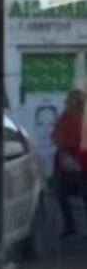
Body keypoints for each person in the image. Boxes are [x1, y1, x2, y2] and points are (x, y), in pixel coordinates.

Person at [52, 88, 87, 236]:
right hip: (78, 160)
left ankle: (70, 226)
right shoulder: (68, 117)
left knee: (63, 195)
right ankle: (70, 226)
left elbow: (57, 137)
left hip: (67, 160)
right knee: (81, 195)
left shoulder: (67, 118)